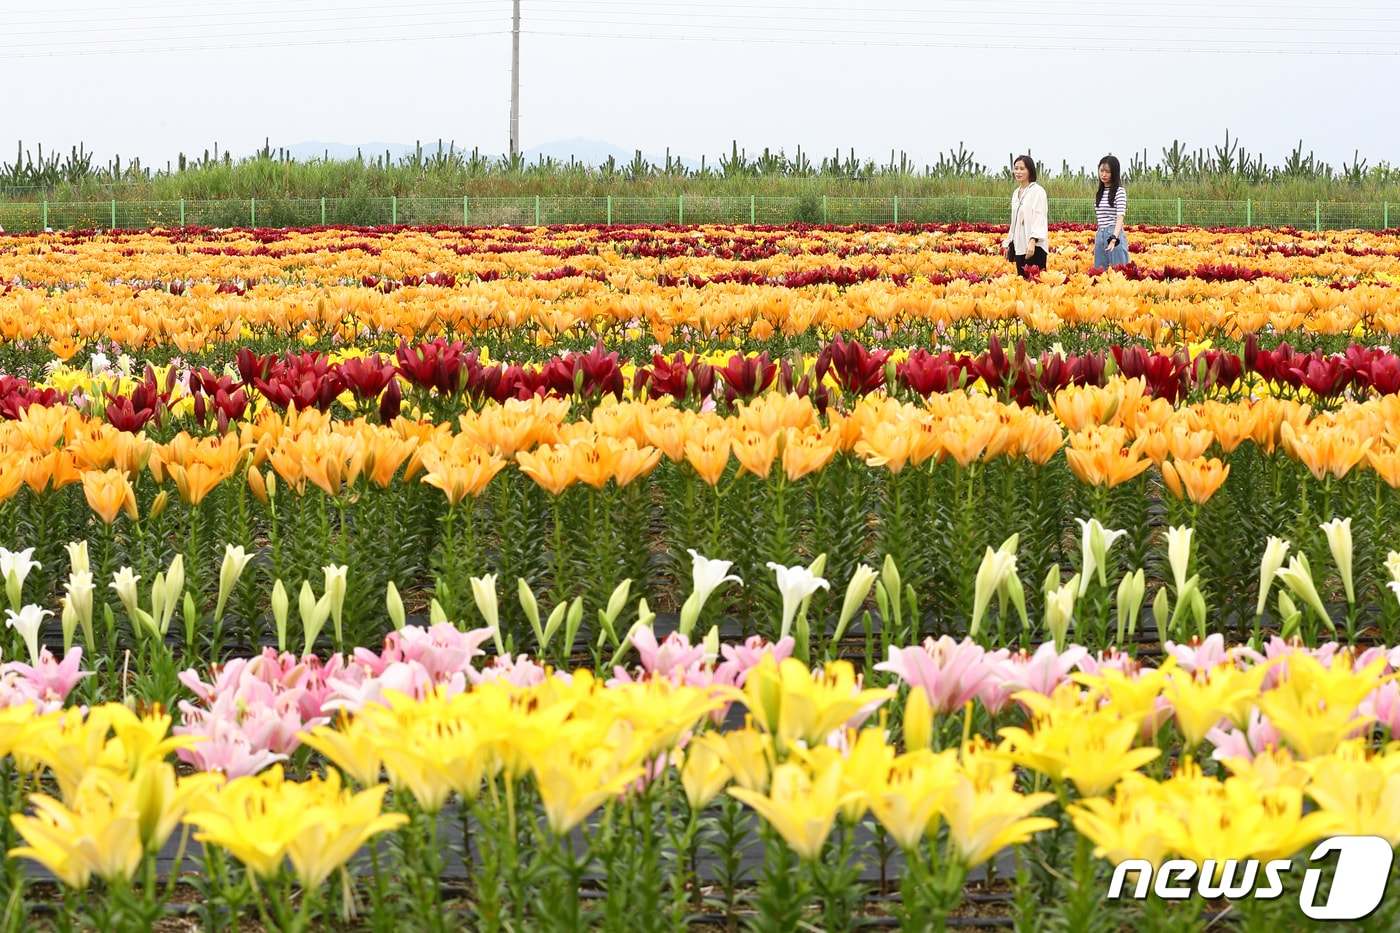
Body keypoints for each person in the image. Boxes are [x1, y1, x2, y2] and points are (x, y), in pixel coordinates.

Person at [1001, 155, 1048, 277]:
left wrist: (1033, 240)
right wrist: (1009, 242)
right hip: (1019, 245)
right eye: (1016, 168)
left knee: (1035, 281)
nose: (1018, 172)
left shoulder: (1037, 191)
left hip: (1034, 246)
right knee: (1022, 281)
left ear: (1030, 170)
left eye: (1022, 169)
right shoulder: (1016, 192)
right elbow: (1014, 220)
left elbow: (1039, 217)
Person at [1093, 154, 1129, 269]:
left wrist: (1114, 238)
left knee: (1119, 271)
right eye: (1101, 170)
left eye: (1107, 172)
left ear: (1114, 173)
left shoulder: (1120, 192)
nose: (1103, 174)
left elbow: (1120, 218)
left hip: (1113, 233)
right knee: (1100, 272)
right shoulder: (1100, 192)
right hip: (1100, 235)